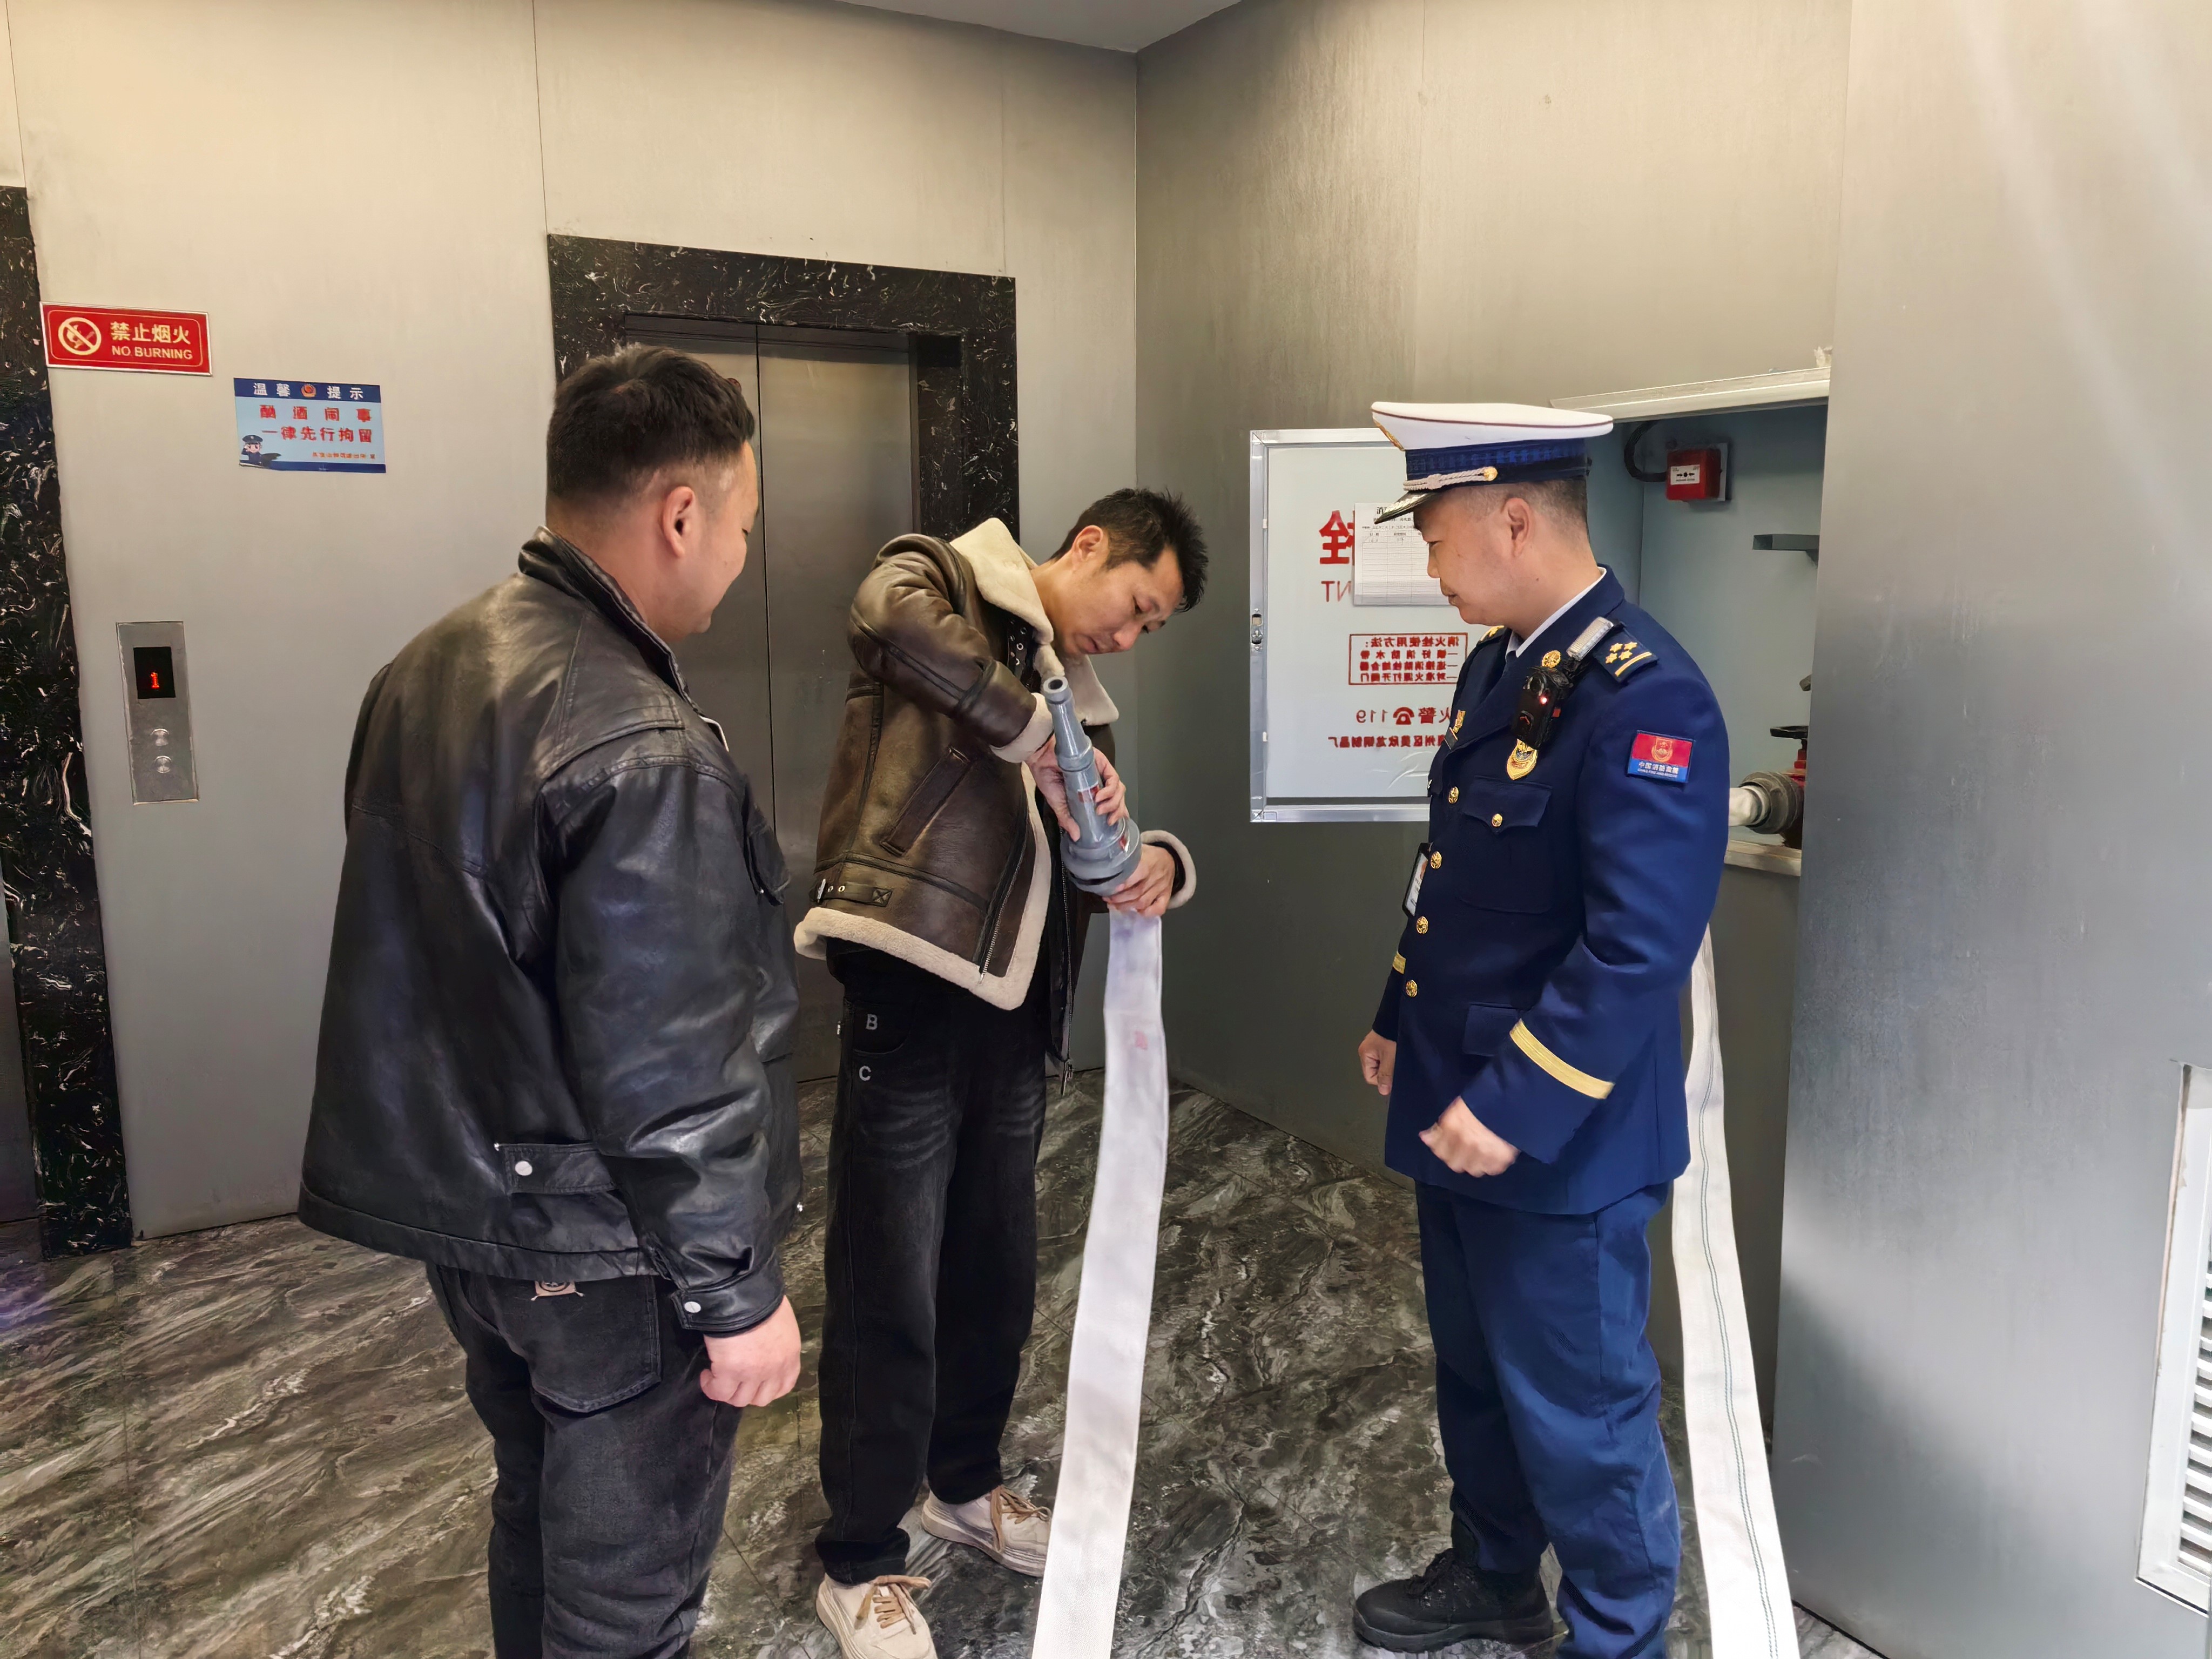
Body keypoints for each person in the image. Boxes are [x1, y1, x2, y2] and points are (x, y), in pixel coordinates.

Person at [299, 345, 803, 1659]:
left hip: (482, 1228)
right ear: (680, 514)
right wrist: (737, 1292)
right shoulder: (639, 742)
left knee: (534, 1511)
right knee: (625, 1599)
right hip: (605, 1247)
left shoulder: (423, 668)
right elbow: (669, 1065)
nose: (740, 556)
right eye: (743, 525)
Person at [794, 490, 1206, 1657]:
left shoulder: (1078, 698)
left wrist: (1153, 863)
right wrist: (1039, 738)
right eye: (1136, 606)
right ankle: (859, 1558)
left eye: (1150, 629)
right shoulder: (940, 580)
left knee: (994, 1267)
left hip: (1015, 1012)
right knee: (888, 1278)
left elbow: (1084, 854)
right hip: (915, 982)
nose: (1129, 636)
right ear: (1089, 548)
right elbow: (886, 613)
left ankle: (963, 1484)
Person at [1350, 403, 1728, 1659]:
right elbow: (1452, 876)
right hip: (1456, 1100)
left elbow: (1634, 950)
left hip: (1558, 1133)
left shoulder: (1646, 696)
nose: (1428, 565)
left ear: (1513, 519)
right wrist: (1397, 1015)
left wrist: (1511, 1104)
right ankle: (1496, 1572)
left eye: (1435, 535)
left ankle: (1618, 1635)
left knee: (1581, 1404)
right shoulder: (1500, 668)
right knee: (1477, 1375)